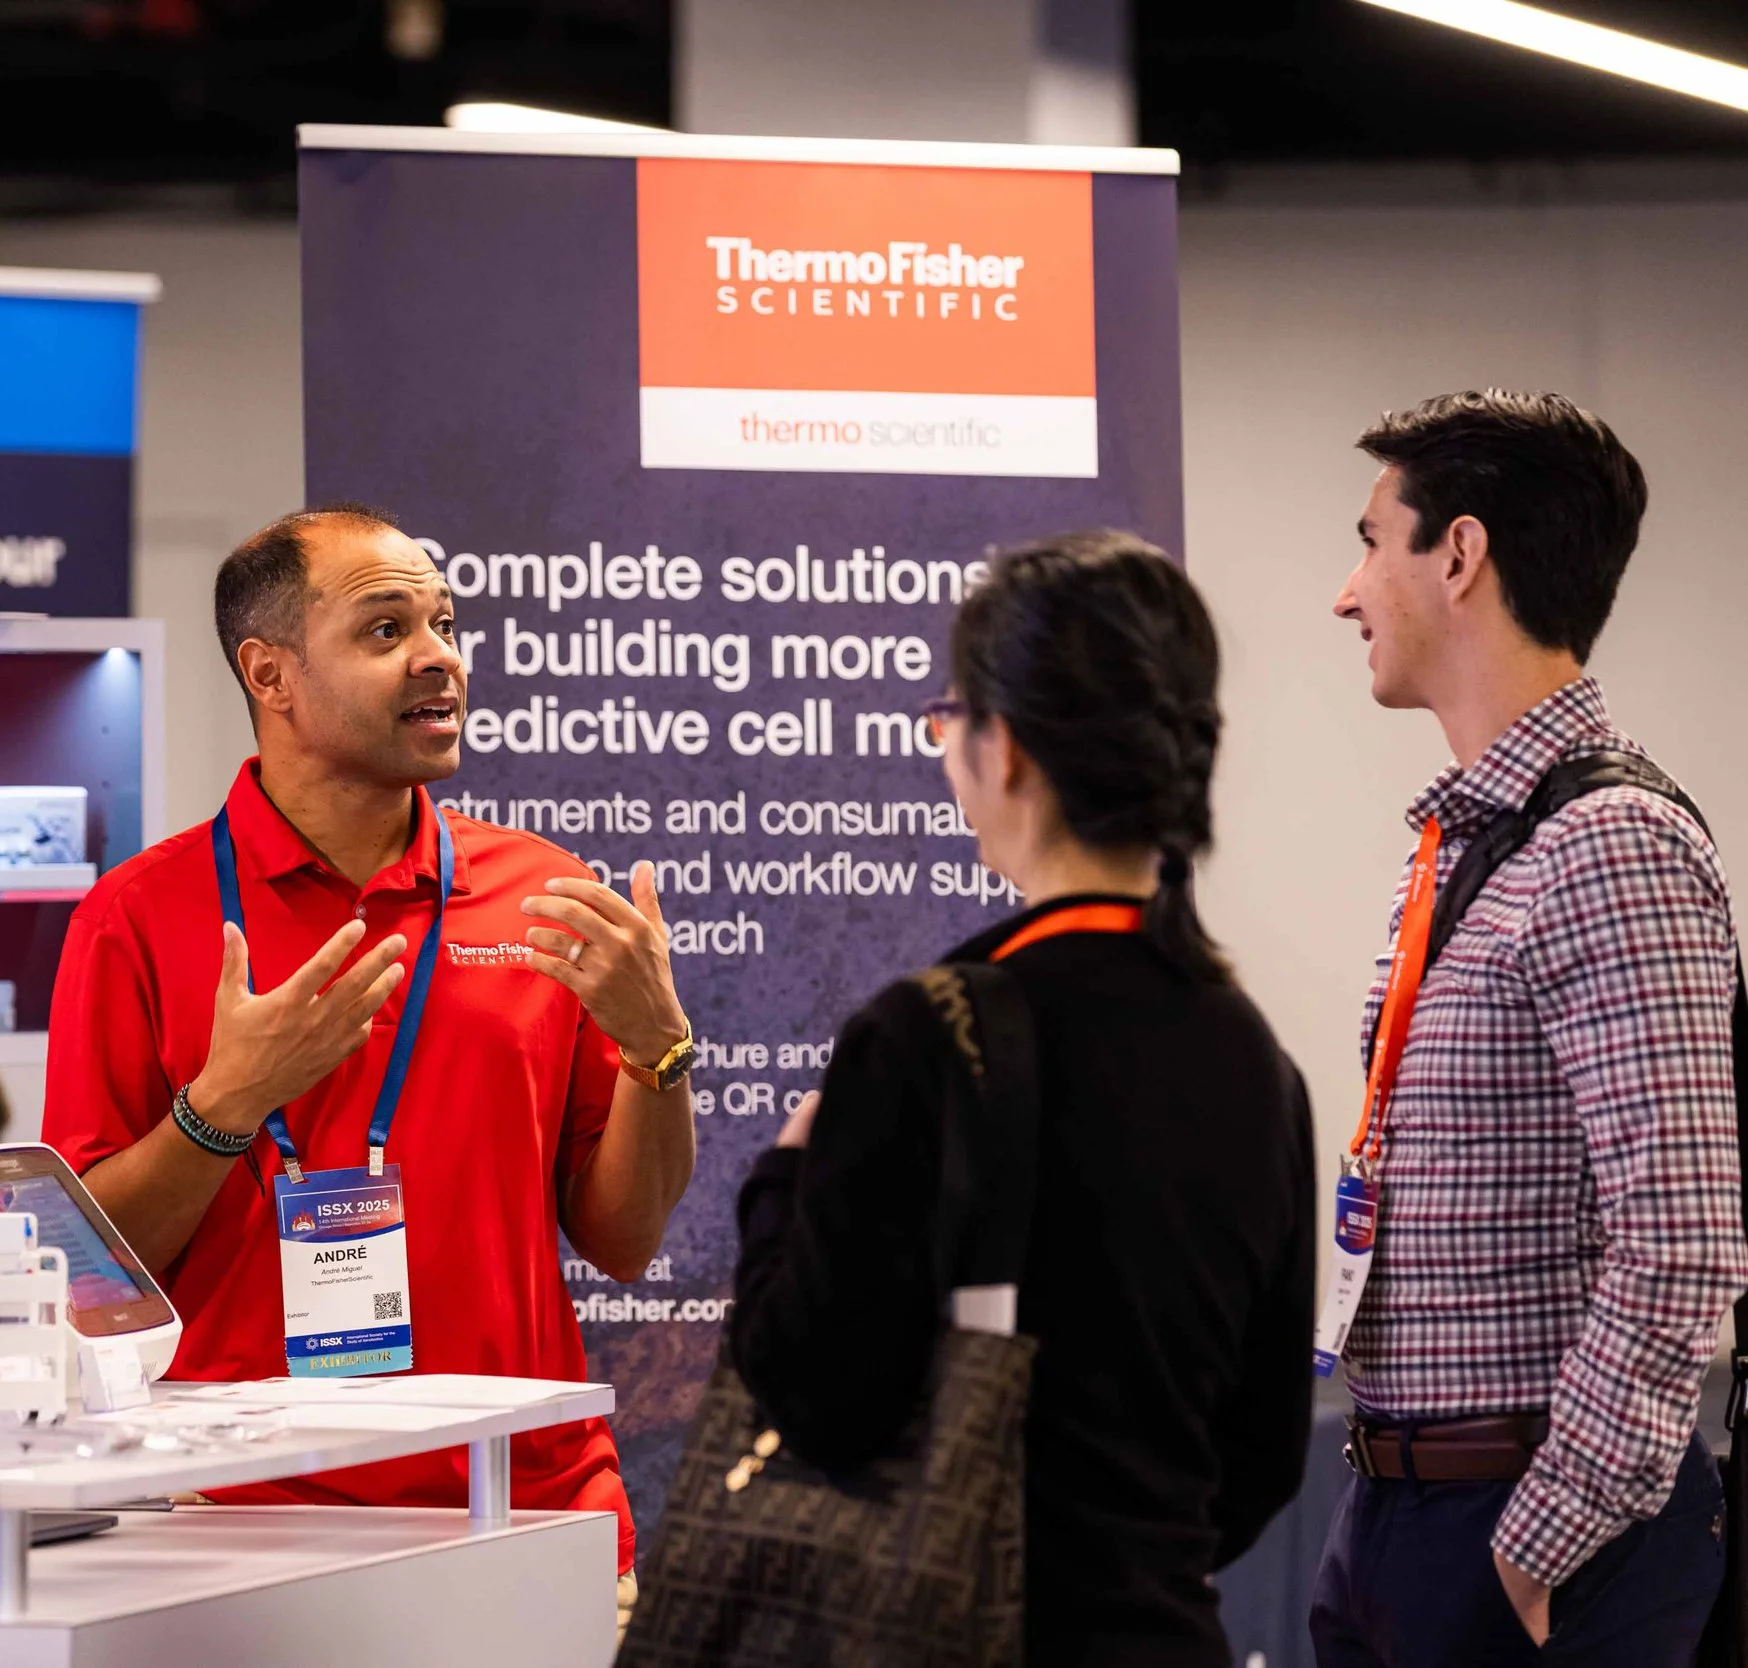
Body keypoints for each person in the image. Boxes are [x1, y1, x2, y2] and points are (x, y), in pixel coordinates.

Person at [41, 505, 699, 1582]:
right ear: (271, 677)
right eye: (386, 630)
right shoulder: (138, 917)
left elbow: (620, 1240)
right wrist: (225, 1108)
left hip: (523, 1502)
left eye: (443, 624)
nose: (439, 657)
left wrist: (657, 1052)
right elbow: (92, 1280)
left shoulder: (542, 893)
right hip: (236, 1525)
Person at [727, 533, 1316, 1665]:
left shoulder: (922, 1037)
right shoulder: (1258, 1061)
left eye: (953, 718)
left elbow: (819, 1399)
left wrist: (779, 1181)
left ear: (1010, 752)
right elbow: (1259, 1461)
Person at [1310, 392, 1748, 1665]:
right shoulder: (1479, 842)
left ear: (1459, 555)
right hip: (1405, 1505)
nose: (1346, 595)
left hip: (1530, 1530)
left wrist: (1534, 1549)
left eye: (1369, 541)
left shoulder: (1610, 844)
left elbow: (1681, 1244)